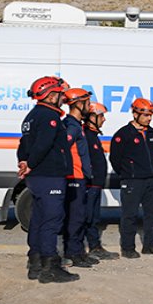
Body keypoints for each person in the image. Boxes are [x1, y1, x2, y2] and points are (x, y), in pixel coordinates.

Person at [17, 76, 79, 283]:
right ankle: (50, 267)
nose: (63, 99)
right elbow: (43, 144)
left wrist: (24, 162)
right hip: (49, 175)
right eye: (61, 95)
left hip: (37, 177)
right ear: (51, 96)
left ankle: (35, 262)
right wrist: (31, 163)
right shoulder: (49, 116)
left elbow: (23, 144)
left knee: (38, 219)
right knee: (51, 220)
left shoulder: (32, 116)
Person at [109, 98, 153, 258]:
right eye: (146, 115)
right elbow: (115, 159)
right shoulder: (123, 134)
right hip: (133, 181)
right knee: (130, 215)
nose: (149, 118)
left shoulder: (152, 133)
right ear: (135, 114)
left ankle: (151, 245)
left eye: (151, 115)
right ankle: (128, 248)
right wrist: (128, 174)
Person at [61, 88, 98, 268]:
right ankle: (73, 253)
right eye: (87, 103)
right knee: (75, 218)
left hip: (80, 176)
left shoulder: (77, 125)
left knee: (80, 216)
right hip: (73, 177)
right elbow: (63, 148)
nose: (89, 107)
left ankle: (79, 252)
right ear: (78, 104)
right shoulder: (71, 126)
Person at [82, 101, 119, 260]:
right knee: (87, 217)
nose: (104, 119)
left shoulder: (93, 136)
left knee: (93, 218)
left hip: (96, 185)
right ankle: (81, 249)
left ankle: (95, 246)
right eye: (101, 116)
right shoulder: (85, 136)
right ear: (91, 117)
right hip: (89, 185)